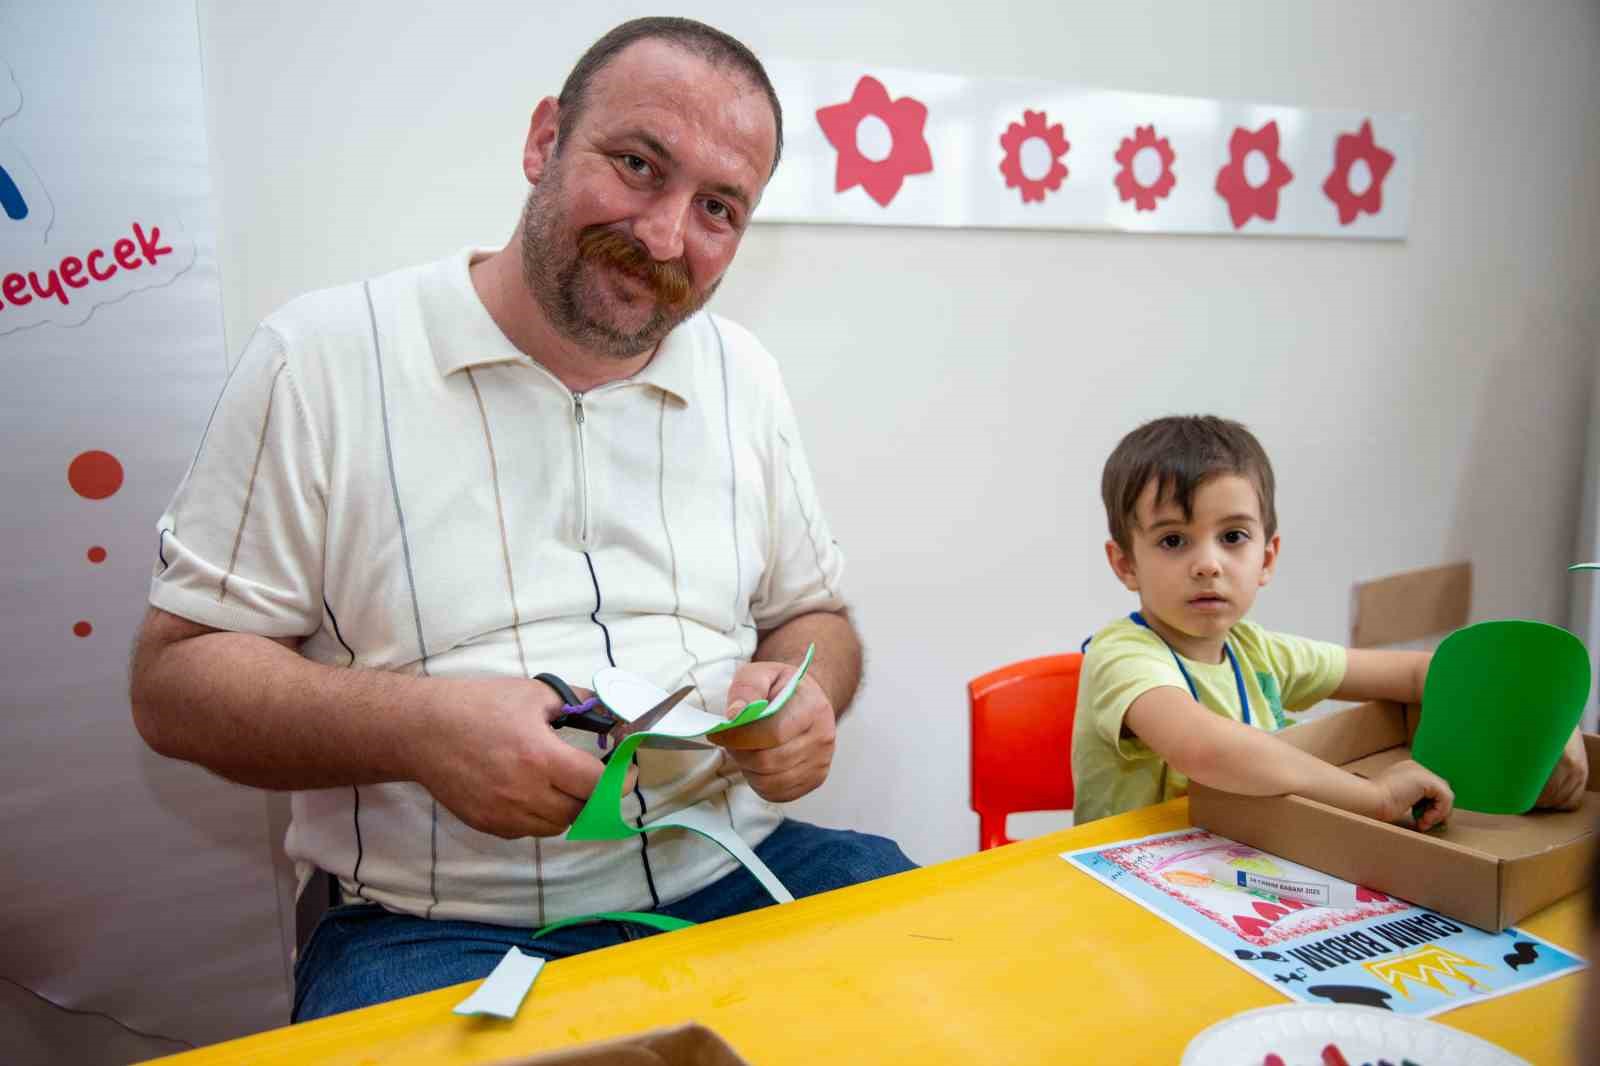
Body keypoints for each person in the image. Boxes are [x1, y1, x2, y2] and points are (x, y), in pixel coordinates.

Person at [128, 17, 913, 1021]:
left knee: (964, 994)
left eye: (717, 207)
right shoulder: (320, 359)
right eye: (637, 164)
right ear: (545, 139)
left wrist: (808, 697)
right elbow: (175, 683)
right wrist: (418, 729)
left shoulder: (742, 374)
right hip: (433, 925)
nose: (667, 235)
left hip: (739, 871)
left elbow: (815, 619)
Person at [1072, 414, 1588, 826]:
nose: (1208, 563)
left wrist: (1543, 721)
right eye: (1173, 540)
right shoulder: (1122, 656)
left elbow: (1418, 676)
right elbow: (1206, 749)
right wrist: (1374, 796)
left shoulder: (1258, 652)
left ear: (1268, 558)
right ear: (1125, 564)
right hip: (1128, 895)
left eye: (1232, 537)